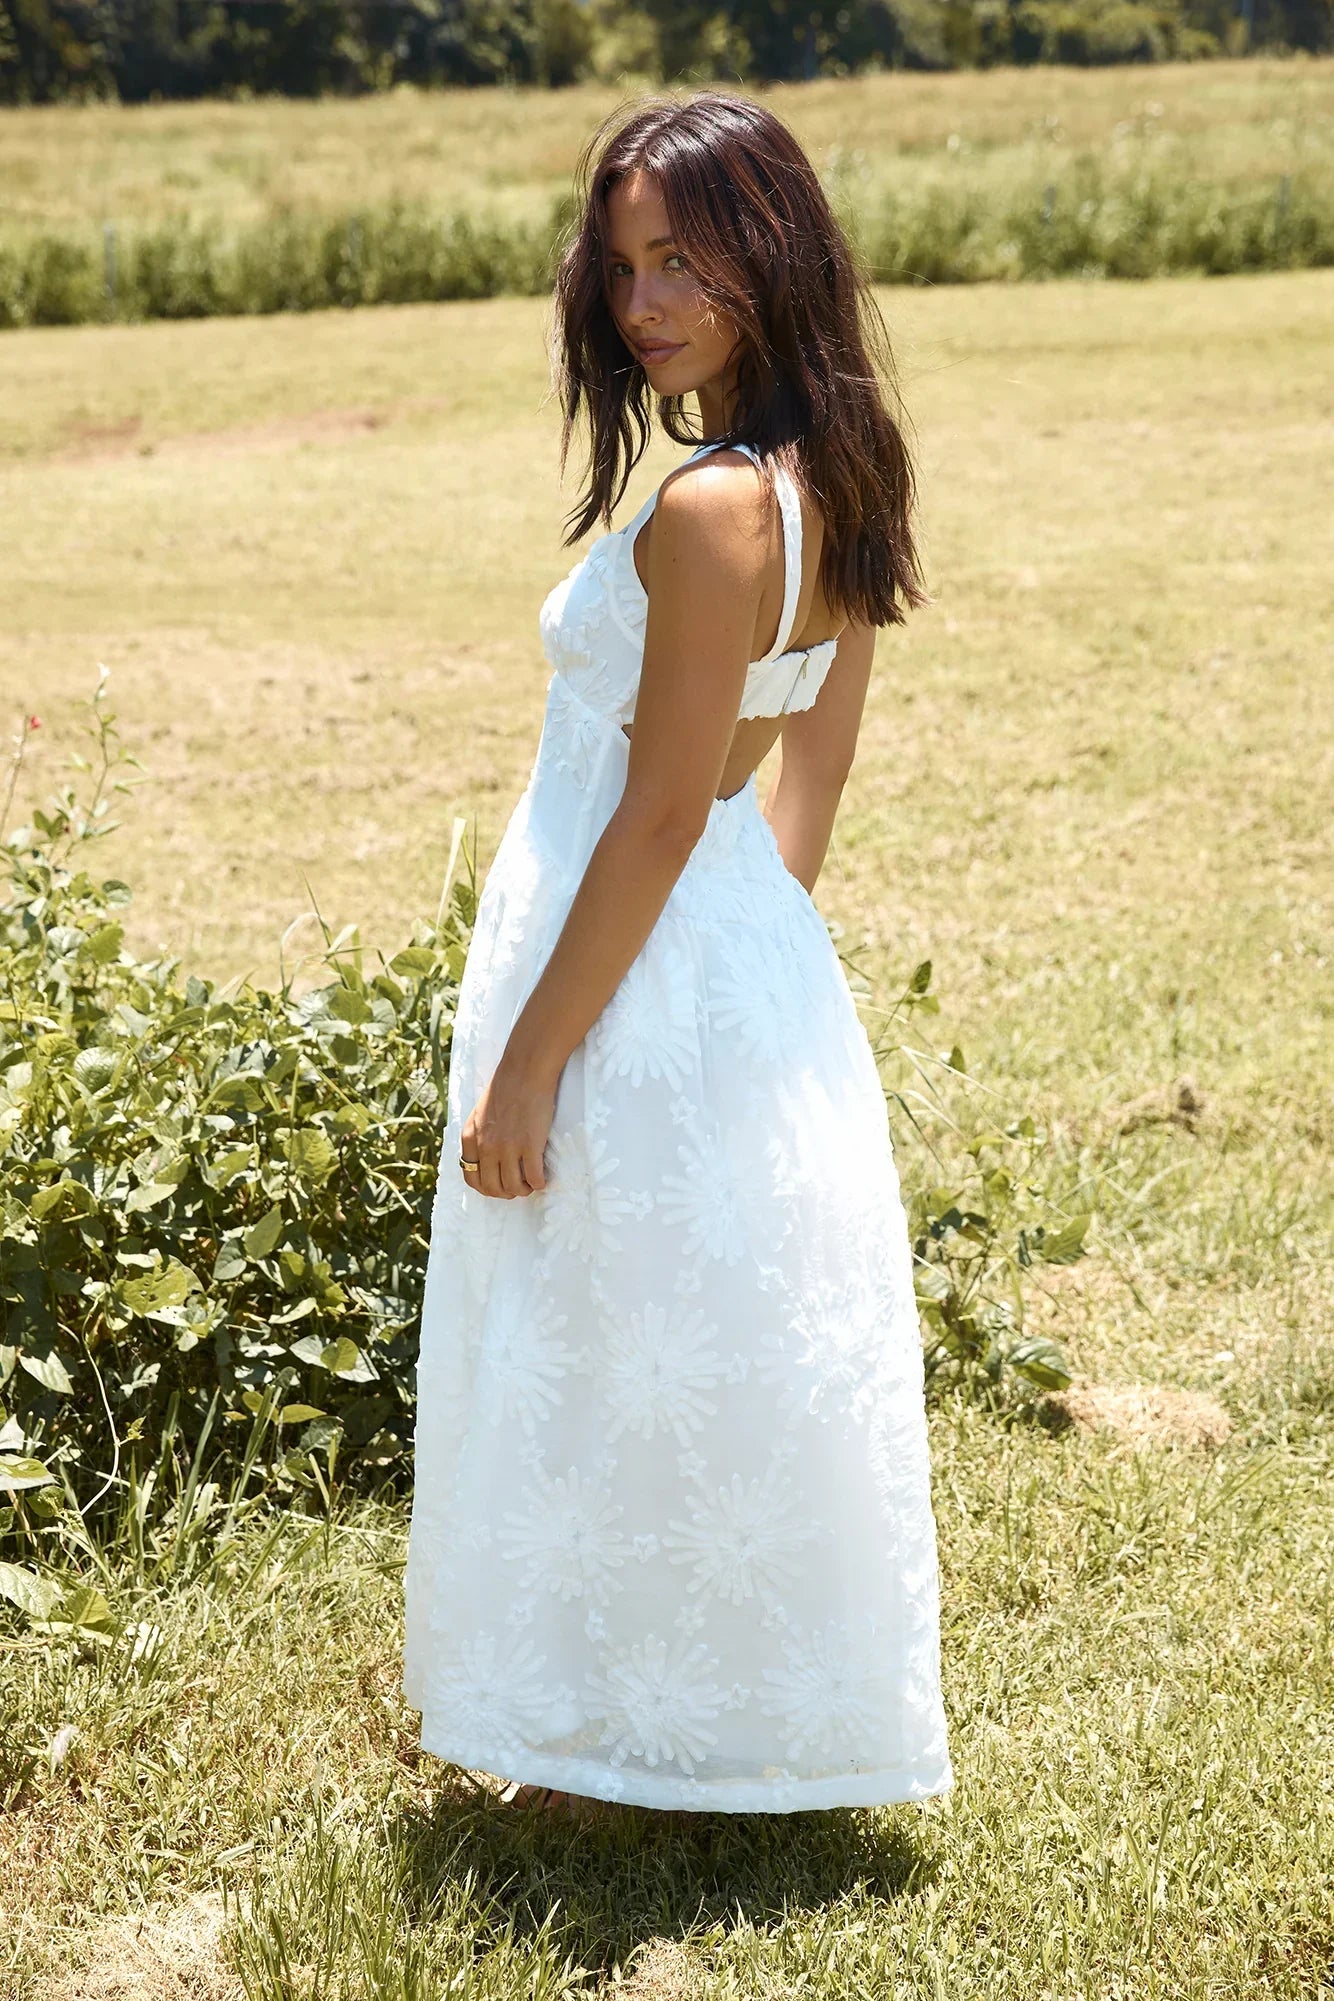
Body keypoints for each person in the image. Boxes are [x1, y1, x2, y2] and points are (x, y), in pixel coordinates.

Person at [401, 90, 954, 1819]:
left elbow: (650, 815)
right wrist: (740, 957)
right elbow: (809, 775)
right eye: (624, 264)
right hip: (726, 947)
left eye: (683, 261)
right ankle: (687, 1723)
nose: (644, 303)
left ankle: (600, 1749)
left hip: (627, 953)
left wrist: (532, 1062)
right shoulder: (838, 471)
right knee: (693, 1328)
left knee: (599, 1332)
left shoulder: (714, 510)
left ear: (770, 253)